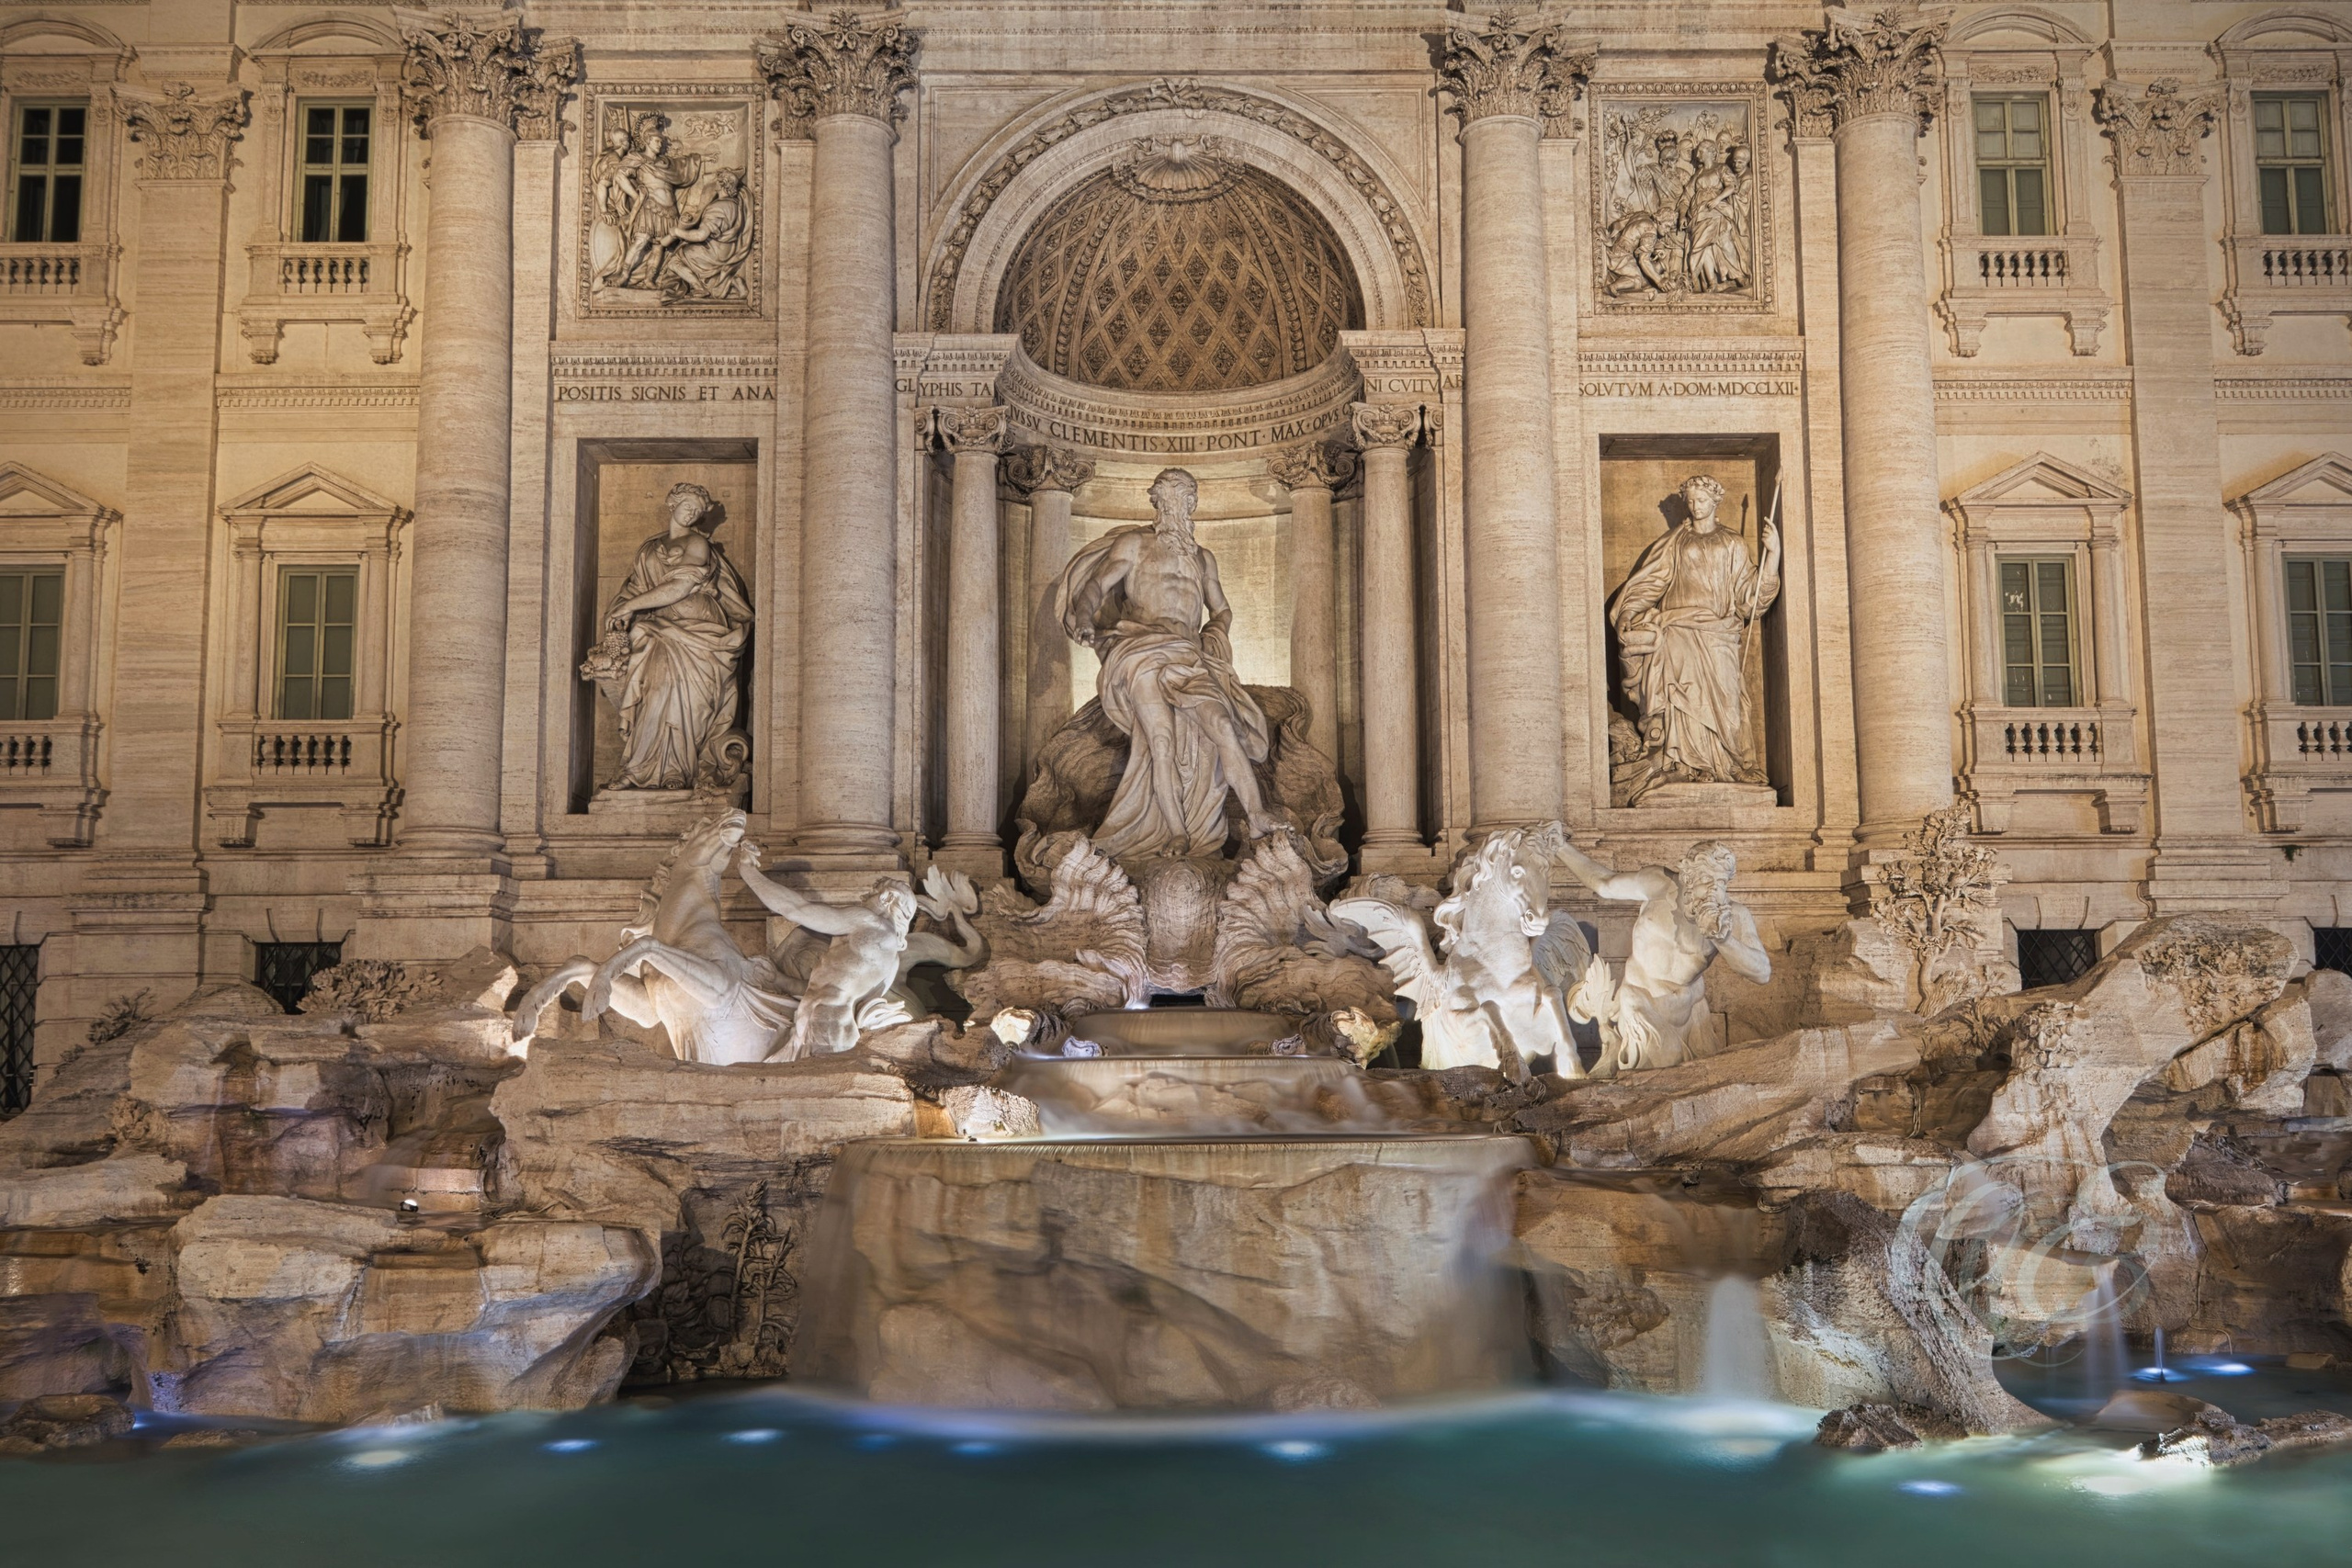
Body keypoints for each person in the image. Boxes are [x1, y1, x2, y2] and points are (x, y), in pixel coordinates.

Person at [1051, 468, 1279, 859]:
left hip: (1189, 655)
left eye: (1187, 498)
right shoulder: (1134, 544)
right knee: (1160, 741)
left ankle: (1257, 814)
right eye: (1171, 497)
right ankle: (1176, 832)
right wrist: (1085, 618)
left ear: (1193, 504)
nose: (1180, 506)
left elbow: (1221, 610)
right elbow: (1095, 587)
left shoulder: (1203, 559)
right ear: (1157, 502)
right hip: (1140, 651)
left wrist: (1214, 635)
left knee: (1223, 724)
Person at [1608, 474, 1780, 797]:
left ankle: (1725, 763)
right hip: (1677, 630)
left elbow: (1751, 599)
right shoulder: (1677, 542)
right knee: (1681, 698)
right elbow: (1651, 583)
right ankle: (1683, 765)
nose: (1695, 507)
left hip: (1719, 634)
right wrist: (1629, 613)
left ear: (1716, 502)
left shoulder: (1732, 543)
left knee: (1727, 701)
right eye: (1690, 501)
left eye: (1701, 501)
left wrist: (1773, 555)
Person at [1554, 836, 1772, 1074]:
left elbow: (1762, 972)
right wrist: (1560, 847)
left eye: (1720, 883)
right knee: (1657, 1080)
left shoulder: (1734, 917)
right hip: (1640, 1002)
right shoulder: (1659, 884)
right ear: (1688, 878)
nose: (1712, 892)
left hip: (1690, 1015)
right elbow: (1604, 883)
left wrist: (1723, 939)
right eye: (1706, 880)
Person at [597, 482, 753, 791]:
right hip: (660, 634)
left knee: (690, 703)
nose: (692, 514)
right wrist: (619, 612)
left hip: (701, 633)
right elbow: (635, 590)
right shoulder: (648, 550)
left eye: (697, 511)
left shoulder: (698, 544)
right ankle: (639, 768)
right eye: (688, 506)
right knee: (655, 694)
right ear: (672, 505)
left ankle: (679, 771)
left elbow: (679, 588)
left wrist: (631, 606)